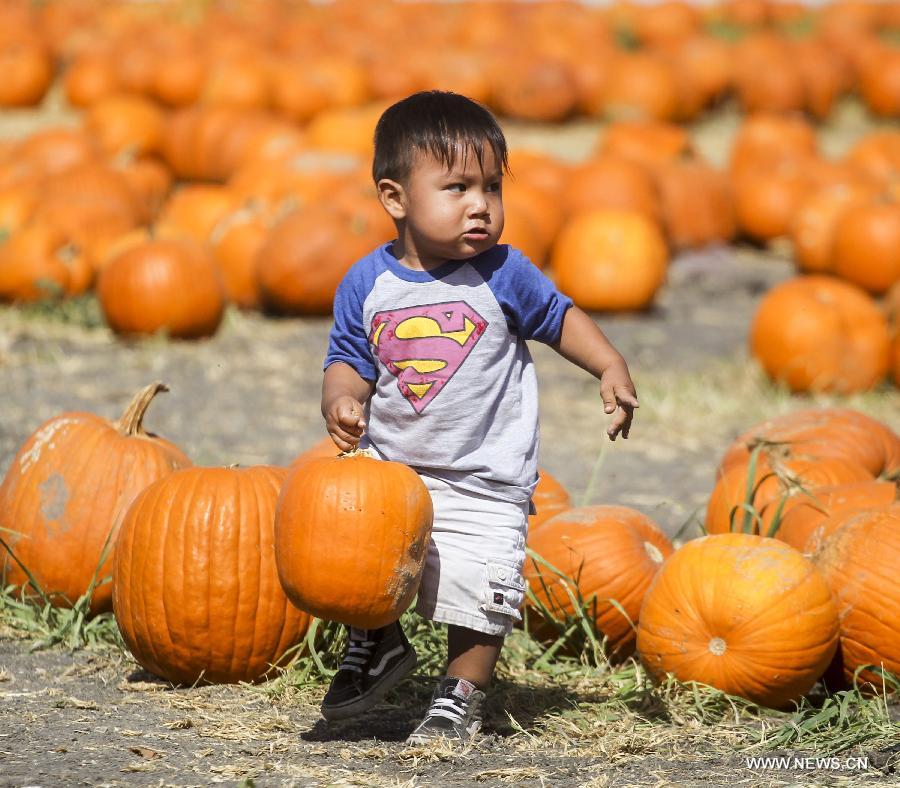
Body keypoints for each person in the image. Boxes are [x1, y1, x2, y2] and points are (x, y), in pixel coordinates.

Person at [319, 90, 638, 744]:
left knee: (481, 590)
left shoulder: (504, 273)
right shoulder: (366, 283)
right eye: (458, 187)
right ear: (395, 198)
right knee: (359, 563)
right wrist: (341, 399)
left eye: (492, 187)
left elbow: (558, 318)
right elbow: (348, 356)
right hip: (393, 472)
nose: (480, 205)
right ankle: (378, 642)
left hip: (484, 476)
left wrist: (608, 365)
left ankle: (460, 693)